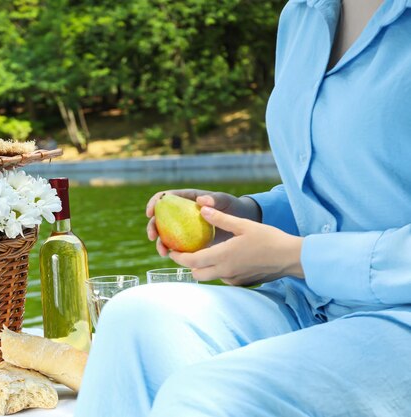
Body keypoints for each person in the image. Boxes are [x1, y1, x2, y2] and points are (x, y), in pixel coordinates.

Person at [75, 0, 411, 415]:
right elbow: (347, 187)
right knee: (134, 315)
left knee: (211, 395)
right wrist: (247, 216)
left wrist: (294, 257)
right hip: (312, 304)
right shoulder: (302, 15)